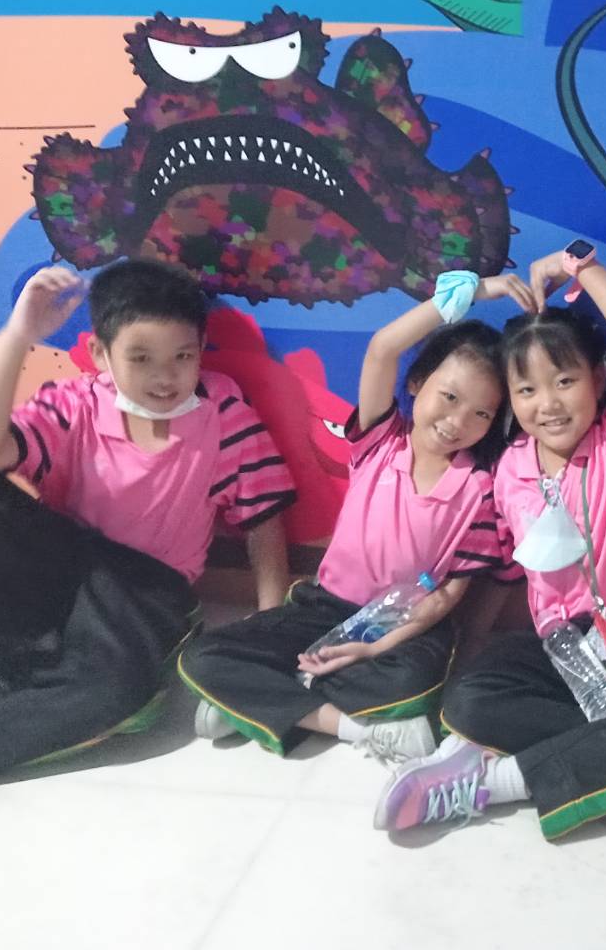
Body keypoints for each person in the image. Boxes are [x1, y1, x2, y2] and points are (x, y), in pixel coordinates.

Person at [373, 240, 606, 839]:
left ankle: (496, 781)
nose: (549, 404)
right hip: (566, 650)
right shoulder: (510, 468)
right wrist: (460, 642)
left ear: (599, 379)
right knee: (470, 699)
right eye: (527, 390)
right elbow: (504, 569)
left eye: (564, 381)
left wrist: (575, 265)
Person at [178, 270, 535, 761]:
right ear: (418, 383)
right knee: (203, 656)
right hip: (322, 608)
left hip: (400, 630)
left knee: (416, 679)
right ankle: (350, 727)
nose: (457, 422)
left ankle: (257, 699)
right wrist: (470, 293)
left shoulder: (481, 489)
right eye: (449, 397)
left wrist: (373, 649)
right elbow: (383, 349)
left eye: (482, 414)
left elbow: (446, 598)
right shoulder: (380, 441)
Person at [0, 260, 294, 784]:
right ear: (101, 353)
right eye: (141, 358)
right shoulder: (76, 403)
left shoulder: (220, 409)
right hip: (68, 570)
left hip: (149, 595)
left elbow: (264, 518)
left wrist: (270, 629)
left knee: (116, 692)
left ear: (200, 350)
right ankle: (37, 666)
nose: (165, 377)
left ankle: (58, 689)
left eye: (183, 357)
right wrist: (18, 334)